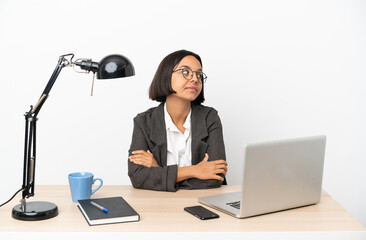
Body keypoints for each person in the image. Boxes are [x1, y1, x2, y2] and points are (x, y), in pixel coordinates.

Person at [128, 50, 227, 192]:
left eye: (199, 75)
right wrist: (195, 171)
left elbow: (216, 176)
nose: (194, 79)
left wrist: (159, 172)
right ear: (166, 76)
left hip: (202, 203)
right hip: (160, 206)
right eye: (186, 72)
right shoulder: (144, 122)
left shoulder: (210, 117)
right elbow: (138, 177)